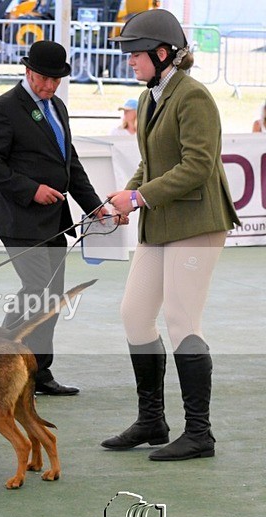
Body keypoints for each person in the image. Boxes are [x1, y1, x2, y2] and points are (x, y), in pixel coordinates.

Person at [101, 10, 240, 461]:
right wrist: (126, 195)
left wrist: (138, 200)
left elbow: (197, 166)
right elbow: (152, 163)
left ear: (163, 54)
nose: (129, 63)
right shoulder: (148, 97)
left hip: (198, 224)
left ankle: (199, 433)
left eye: (135, 55)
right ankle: (152, 420)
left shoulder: (194, 97)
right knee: (135, 315)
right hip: (161, 224)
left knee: (182, 321)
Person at [0, 40, 113, 396]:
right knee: (37, 291)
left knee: (51, 296)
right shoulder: (3, 108)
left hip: (55, 221)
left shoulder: (58, 108)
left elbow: (71, 165)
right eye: (44, 78)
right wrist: (31, 189)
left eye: (56, 80)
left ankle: (37, 373)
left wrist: (94, 206)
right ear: (27, 71)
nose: (50, 86)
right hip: (18, 219)